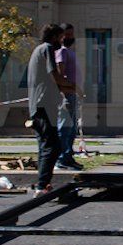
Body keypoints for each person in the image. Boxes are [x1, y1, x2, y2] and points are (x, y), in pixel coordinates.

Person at [27, 23, 67, 196]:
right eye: (60, 37)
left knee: (46, 145)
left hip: (39, 105)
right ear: (53, 37)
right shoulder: (48, 48)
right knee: (52, 146)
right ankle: (41, 185)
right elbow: (54, 74)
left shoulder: (39, 49)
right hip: (44, 105)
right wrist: (70, 86)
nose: (62, 41)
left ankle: (43, 183)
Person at [54, 24, 84, 171]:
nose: (70, 37)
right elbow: (60, 75)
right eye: (67, 34)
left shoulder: (69, 51)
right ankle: (61, 159)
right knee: (65, 128)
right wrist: (69, 89)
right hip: (65, 95)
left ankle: (68, 156)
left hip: (72, 94)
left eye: (72, 34)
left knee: (71, 129)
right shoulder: (61, 51)